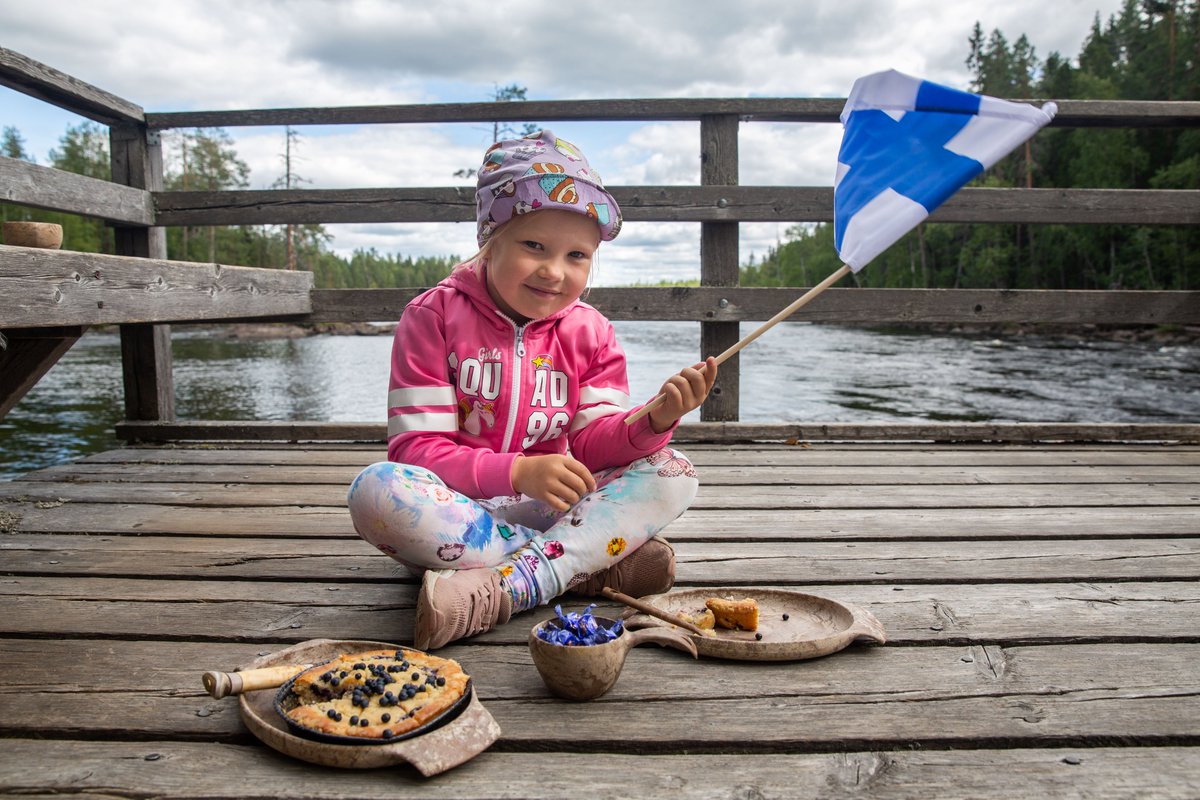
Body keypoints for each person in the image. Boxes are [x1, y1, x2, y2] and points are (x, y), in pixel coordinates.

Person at [347, 130, 717, 650]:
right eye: (534, 246)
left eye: (576, 255)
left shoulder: (592, 332)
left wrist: (654, 420)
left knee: (673, 471)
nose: (554, 271)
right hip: (456, 515)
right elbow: (416, 451)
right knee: (375, 491)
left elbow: (593, 446)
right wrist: (517, 471)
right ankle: (585, 564)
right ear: (490, 238)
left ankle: (509, 586)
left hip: (550, 506)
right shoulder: (433, 317)